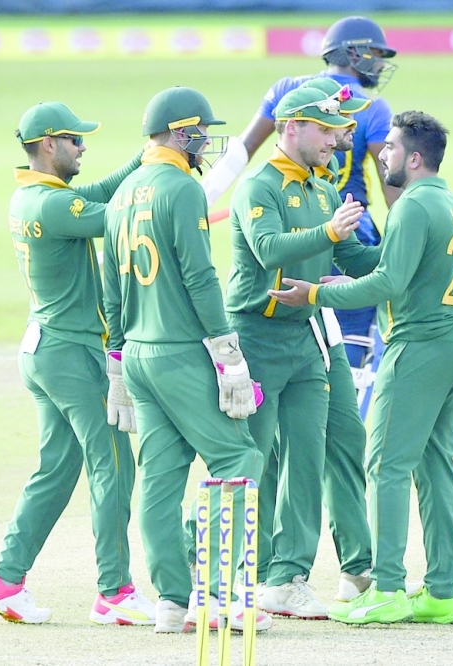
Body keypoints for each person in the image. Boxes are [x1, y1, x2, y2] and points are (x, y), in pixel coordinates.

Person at [269, 110, 453, 626]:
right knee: (435, 465)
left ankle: (386, 587)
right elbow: (386, 267)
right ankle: (442, 591)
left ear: (415, 158)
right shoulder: (452, 205)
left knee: (385, 465)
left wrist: (315, 294)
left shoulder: (411, 207)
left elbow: (388, 284)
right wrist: (345, 263)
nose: (382, 156)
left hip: (418, 344)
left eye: (391, 148)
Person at [0, 102, 154, 626]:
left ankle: (5, 581)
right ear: (50, 144)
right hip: (72, 355)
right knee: (114, 465)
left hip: (42, 350)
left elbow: (95, 194)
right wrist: (163, 189)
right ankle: (114, 593)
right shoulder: (53, 206)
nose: (83, 147)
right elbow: (117, 217)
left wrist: (144, 159)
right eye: (75, 140)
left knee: (56, 469)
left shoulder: (31, 195)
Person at [101, 87, 269, 634]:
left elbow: (109, 288)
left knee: (160, 477)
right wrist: (226, 348)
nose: (204, 142)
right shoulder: (181, 188)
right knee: (237, 459)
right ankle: (216, 596)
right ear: (181, 133)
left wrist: (117, 357)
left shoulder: (121, 193)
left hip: (138, 354)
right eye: (200, 133)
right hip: (179, 350)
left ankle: (172, 602)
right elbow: (200, 276)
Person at [224, 86, 379, 619]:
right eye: (325, 130)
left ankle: (287, 578)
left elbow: (352, 257)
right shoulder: (259, 187)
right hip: (255, 337)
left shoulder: (324, 189)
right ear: (292, 126)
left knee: (307, 460)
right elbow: (268, 249)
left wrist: (406, 252)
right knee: (251, 459)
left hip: (306, 335)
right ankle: (230, 576)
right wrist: (328, 230)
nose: (335, 141)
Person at [202, 15, 400, 370]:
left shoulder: (287, 89)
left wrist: (201, 200)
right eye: (376, 54)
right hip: (350, 222)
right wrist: (409, 235)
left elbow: (242, 151)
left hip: (289, 217)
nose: (381, 63)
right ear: (353, 53)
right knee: (351, 332)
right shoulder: (373, 106)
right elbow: (392, 185)